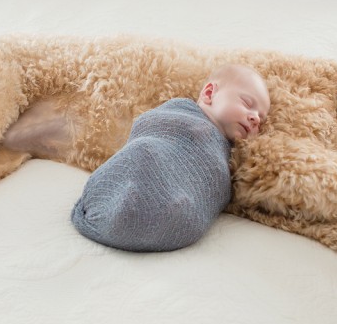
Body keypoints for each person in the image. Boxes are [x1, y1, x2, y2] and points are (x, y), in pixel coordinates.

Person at [71, 64, 271, 252]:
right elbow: (147, 131)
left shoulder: (230, 156)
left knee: (176, 202)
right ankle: (115, 206)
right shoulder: (176, 111)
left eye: (260, 119)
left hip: (177, 207)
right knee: (145, 151)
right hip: (148, 156)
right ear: (210, 93)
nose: (255, 118)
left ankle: (157, 216)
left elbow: (213, 182)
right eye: (246, 103)